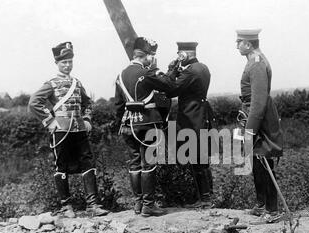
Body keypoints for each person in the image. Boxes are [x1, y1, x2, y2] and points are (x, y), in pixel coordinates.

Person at [28, 42, 108, 217]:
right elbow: (34, 102)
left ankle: (93, 205)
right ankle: (66, 206)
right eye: (64, 62)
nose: (67, 65)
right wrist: (49, 121)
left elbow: (87, 103)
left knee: (88, 163)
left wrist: (87, 118)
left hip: (79, 129)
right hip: (61, 130)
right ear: (57, 63)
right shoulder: (51, 83)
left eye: (70, 61)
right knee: (61, 165)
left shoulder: (77, 83)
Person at [114, 37, 175, 217]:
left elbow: (118, 105)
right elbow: (169, 86)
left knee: (134, 163)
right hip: (148, 122)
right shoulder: (148, 73)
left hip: (128, 124)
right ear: (145, 55)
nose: (153, 58)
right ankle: (149, 205)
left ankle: (138, 204)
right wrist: (158, 69)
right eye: (152, 55)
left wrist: (124, 121)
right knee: (149, 162)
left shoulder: (120, 75)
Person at [236, 29, 284, 219]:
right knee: (255, 160)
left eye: (238, 42)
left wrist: (250, 130)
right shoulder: (253, 61)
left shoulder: (256, 64)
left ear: (248, 44)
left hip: (259, 117)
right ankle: (261, 204)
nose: (236, 45)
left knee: (264, 160)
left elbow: (258, 101)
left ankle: (272, 210)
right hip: (252, 114)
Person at [166, 42, 215, 209]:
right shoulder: (202, 67)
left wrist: (171, 72)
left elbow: (171, 90)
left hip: (191, 116)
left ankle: (205, 199)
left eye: (179, 54)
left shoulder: (190, 71)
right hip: (200, 114)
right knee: (200, 157)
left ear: (183, 55)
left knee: (196, 157)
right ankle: (206, 197)